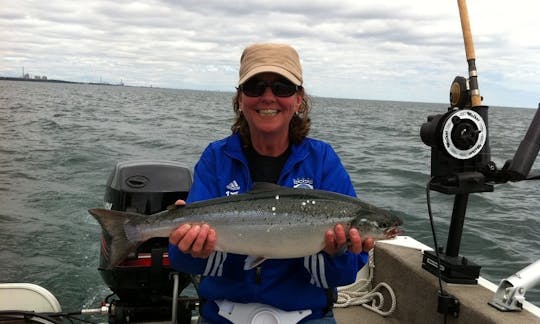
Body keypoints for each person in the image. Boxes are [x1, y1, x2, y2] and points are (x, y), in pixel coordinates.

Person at [168, 43, 374, 323]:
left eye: (282, 87)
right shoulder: (216, 158)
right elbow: (183, 261)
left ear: (299, 99)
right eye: (255, 87)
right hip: (222, 314)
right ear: (240, 98)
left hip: (307, 317)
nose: (268, 97)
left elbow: (345, 274)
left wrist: (336, 253)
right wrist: (191, 250)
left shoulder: (322, 160)